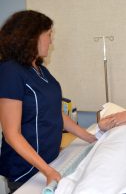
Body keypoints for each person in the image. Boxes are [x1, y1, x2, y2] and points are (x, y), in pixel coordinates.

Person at [0, 10, 97, 192]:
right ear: (32, 36)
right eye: (49, 34)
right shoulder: (10, 72)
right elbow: (11, 134)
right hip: (26, 169)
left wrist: (91, 138)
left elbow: (55, 113)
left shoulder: (41, 70)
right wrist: (47, 171)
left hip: (49, 160)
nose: (51, 41)